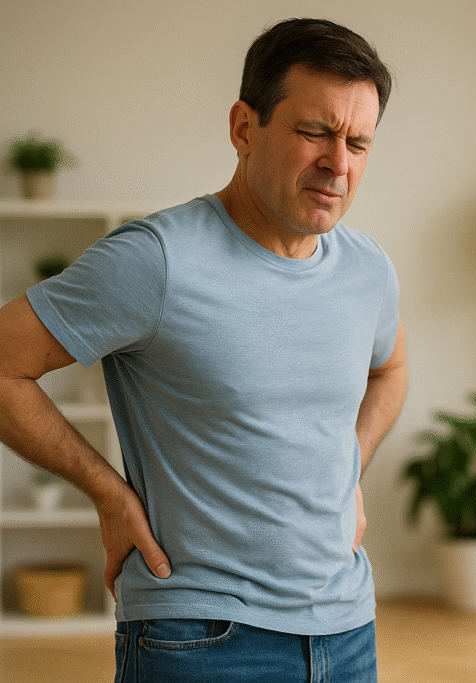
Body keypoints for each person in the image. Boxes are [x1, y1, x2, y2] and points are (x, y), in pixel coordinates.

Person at [0, 18, 406, 683]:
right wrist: (107, 493)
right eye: (314, 132)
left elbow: (391, 370)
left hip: (347, 632)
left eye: (358, 142)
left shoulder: (367, 268)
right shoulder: (157, 261)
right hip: (200, 638)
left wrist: (347, 468)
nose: (339, 163)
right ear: (244, 128)